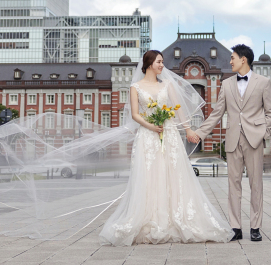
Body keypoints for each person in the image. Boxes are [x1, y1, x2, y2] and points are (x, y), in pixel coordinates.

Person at [99, 50, 234, 246]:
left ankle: (175, 217)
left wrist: (188, 130)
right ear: (149, 63)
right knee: (149, 175)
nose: (163, 65)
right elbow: (136, 114)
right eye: (159, 62)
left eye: (162, 62)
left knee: (173, 174)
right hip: (147, 135)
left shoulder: (168, 85)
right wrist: (151, 126)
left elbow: (178, 110)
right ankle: (149, 218)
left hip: (169, 134)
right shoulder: (135, 87)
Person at [188, 44, 271, 242]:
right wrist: (199, 133)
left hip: (255, 139)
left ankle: (255, 227)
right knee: (233, 186)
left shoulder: (263, 82)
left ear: (243, 59)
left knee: (256, 185)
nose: (230, 61)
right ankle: (235, 227)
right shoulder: (226, 84)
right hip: (233, 140)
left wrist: (264, 132)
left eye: (233, 58)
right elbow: (217, 113)